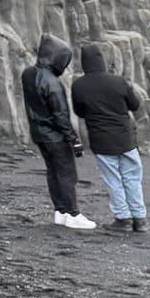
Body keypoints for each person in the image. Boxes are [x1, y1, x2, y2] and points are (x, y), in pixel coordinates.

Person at [20, 35, 95, 231]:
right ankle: (73, 214)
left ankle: (60, 211)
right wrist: (74, 141)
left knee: (52, 172)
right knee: (66, 173)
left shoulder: (28, 74)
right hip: (55, 136)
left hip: (38, 133)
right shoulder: (52, 83)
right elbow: (61, 116)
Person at [71, 41, 146, 233]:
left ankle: (123, 218)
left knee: (112, 179)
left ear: (84, 63)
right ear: (102, 61)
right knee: (132, 177)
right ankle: (139, 218)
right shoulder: (118, 81)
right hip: (125, 138)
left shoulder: (78, 86)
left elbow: (79, 111)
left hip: (101, 140)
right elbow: (135, 104)